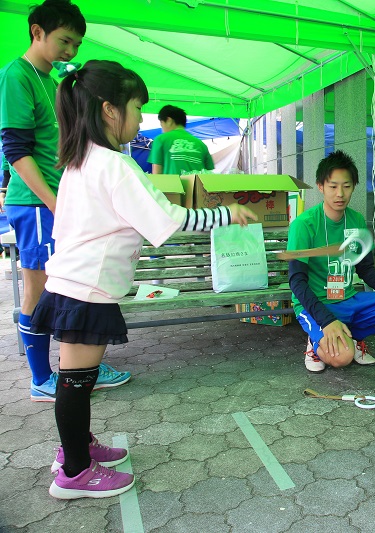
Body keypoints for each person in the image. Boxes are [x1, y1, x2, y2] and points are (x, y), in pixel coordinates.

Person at [30, 60, 256, 499]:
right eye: (136, 108)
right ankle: (74, 471)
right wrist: (226, 213)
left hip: (75, 284)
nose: (139, 119)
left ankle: (77, 447)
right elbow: (169, 219)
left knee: (78, 380)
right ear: (109, 109)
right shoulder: (114, 165)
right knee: (76, 382)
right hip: (87, 289)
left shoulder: (81, 161)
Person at [0, 0, 131, 402]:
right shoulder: (17, 75)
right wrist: (55, 203)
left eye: (77, 44)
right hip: (39, 204)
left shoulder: (56, 79)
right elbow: (15, 149)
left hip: (63, 203)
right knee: (40, 290)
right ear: (37, 32)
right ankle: (42, 378)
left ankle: (79, 365)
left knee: (77, 287)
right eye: (65, 40)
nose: (71, 51)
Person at [288, 150, 375, 373]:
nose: (340, 194)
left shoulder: (356, 220)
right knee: (343, 357)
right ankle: (315, 344)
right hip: (316, 304)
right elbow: (297, 282)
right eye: (333, 186)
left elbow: (365, 268)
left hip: (349, 298)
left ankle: (353, 336)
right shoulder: (304, 225)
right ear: (320, 187)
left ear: (353, 187)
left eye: (346, 186)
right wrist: (326, 321)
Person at [148, 104, 215, 175]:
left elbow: (157, 174)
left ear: (168, 120)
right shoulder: (201, 144)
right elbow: (209, 174)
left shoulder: (160, 140)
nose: (162, 129)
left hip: (172, 182)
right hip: (197, 182)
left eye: (161, 123)